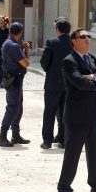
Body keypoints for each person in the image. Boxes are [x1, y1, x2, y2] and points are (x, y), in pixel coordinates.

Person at [57, 28, 96, 192]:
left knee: (94, 152)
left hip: (94, 114)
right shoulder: (69, 61)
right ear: (73, 40)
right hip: (76, 116)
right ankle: (64, 187)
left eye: (89, 36)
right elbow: (79, 83)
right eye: (83, 37)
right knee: (73, 152)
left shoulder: (94, 59)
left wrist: (92, 77)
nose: (88, 39)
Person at [40, 18, 72, 149]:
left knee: (49, 111)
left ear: (58, 29)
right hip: (69, 83)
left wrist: (50, 69)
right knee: (65, 112)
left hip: (53, 83)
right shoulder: (74, 42)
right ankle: (63, 140)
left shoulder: (52, 42)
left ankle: (47, 141)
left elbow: (43, 62)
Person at [0, 22, 30, 147]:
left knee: (18, 107)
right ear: (20, 32)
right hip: (13, 80)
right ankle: (2, 137)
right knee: (13, 108)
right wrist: (26, 49)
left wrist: (24, 49)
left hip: (14, 79)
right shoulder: (13, 46)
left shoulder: (9, 43)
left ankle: (15, 135)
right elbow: (26, 63)